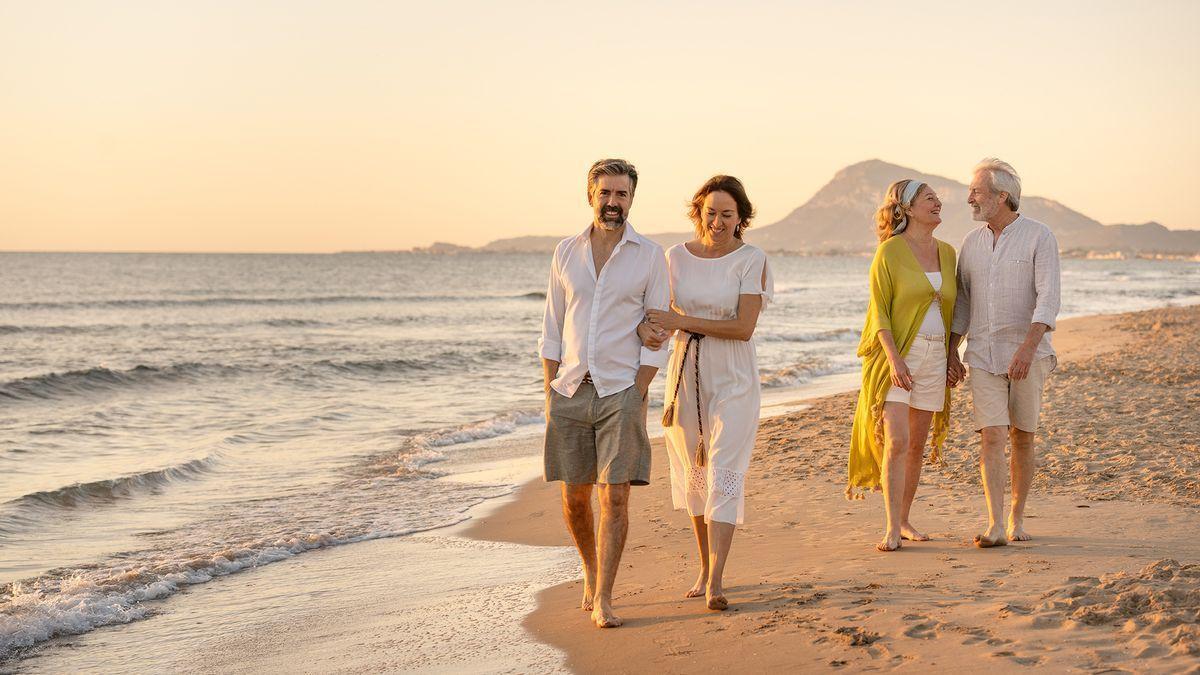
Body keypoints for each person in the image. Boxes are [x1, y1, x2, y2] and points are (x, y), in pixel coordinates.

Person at [538, 158, 670, 627]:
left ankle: (605, 598)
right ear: (590, 194)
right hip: (571, 388)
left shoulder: (651, 255)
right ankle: (590, 571)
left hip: (621, 391)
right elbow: (552, 326)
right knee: (575, 497)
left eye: (622, 195)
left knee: (615, 497)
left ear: (632, 198)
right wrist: (550, 390)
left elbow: (659, 326)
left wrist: (639, 388)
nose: (613, 203)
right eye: (606, 193)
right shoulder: (565, 252)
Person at [638, 175, 772, 610]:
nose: (717, 221)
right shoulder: (673, 257)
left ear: (740, 218)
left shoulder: (751, 259)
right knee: (694, 473)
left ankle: (716, 579)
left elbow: (743, 327)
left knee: (724, 468)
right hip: (684, 372)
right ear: (699, 212)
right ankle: (703, 565)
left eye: (727, 215)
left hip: (734, 374)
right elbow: (656, 316)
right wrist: (653, 332)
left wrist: (680, 322)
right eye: (710, 212)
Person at [948, 158, 1061, 548]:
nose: (969, 199)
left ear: (1002, 196)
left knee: (1023, 437)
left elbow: (1048, 299)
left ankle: (1016, 517)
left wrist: (1028, 349)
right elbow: (963, 302)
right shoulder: (970, 243)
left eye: (976, 192)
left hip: (1028, 354)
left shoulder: (1039, 236)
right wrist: (952, 350)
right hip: (981, 354)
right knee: (992, 436)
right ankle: (995, 524)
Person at [848, 178, 958, 552]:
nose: (937, 202)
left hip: (935, 356)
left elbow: (952, 309)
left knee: (916, 445)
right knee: (897, 441)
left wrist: (953, 354)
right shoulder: (889, 252)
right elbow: (879, 312)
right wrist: (894, 359)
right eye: (930, 198)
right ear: (908, 208)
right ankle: (891, 527)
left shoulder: (948, 252)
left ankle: (906, 519)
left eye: (937, 198)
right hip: (897, 356)